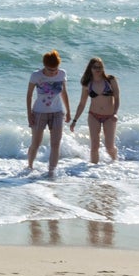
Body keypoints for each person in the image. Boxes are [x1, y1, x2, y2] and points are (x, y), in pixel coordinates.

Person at [25, 50, 71, 179]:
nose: (53, 72)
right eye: (50, 70)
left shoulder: (62, 74)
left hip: (57, 112)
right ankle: (29, 166)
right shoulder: (36, 75)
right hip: (39, 112)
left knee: (56, 144)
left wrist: (68, 112)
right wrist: (29, 114)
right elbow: (29, 96)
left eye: (55, 69)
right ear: (44, 66)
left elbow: (64, 93)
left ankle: (51, 172)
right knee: (36, 143)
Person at [72, 56, 121, 165]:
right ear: (90, 68)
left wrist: (115, 113)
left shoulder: (110, 80)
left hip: (109, 116)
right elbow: (82, 103)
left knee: (109, 147)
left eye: (100, 67)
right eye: (95, 67)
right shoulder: (87, 84)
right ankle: (92, 173)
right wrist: (75, 120)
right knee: (94, 145)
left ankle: (115, 164)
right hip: (93, 115)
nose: (98, 69)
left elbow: (117, 98)